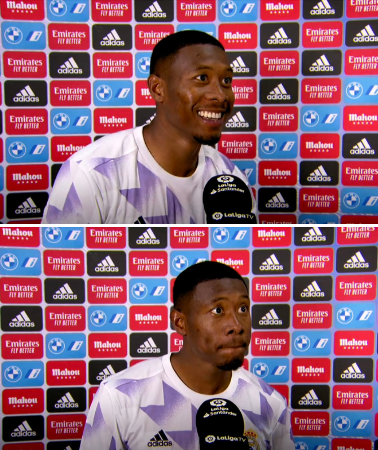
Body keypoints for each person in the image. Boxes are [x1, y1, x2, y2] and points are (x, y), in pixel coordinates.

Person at [42, 30, 253, 224]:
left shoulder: (230, 178)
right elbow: (59, 261)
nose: (220, 95)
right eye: (202, 78)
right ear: (157, 89)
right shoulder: (89, 174)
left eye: (227, 80)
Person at [81, 261, 293, 449]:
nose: (236, 326)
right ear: (180, 322)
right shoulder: (120, 396)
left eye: (243, 309)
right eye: (218, 311)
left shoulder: (271, 404)